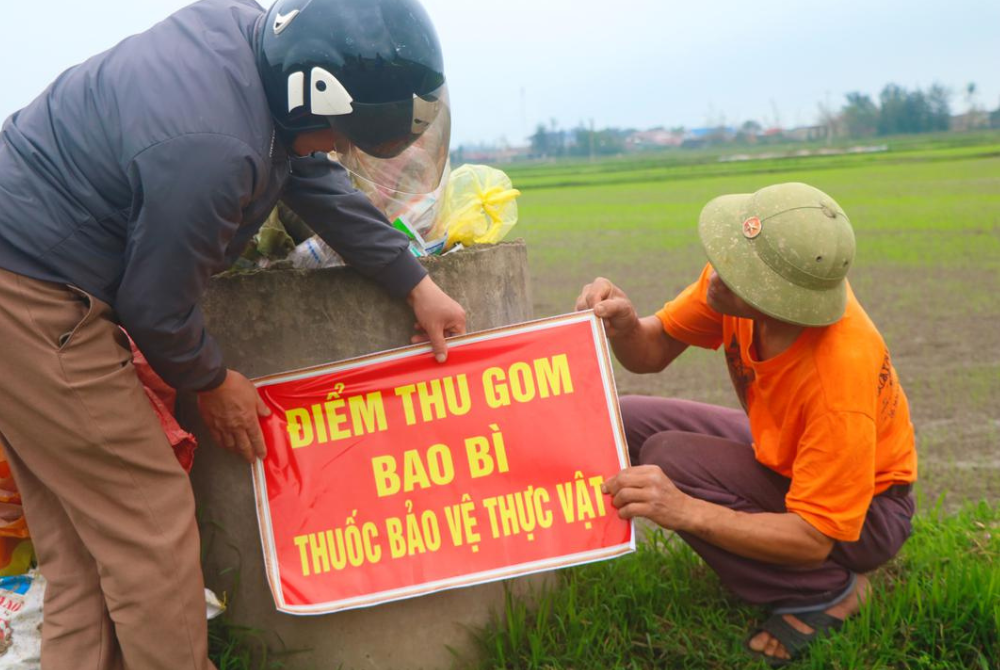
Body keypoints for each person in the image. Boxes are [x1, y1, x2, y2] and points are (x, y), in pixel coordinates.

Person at [0, 0, 464, 668]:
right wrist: (212, 380)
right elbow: (156, 305)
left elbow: (305, 170)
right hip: (33, 299)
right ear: (312, 94)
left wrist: (412, 280)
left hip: (24, 268)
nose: (335, 144)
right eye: (336, 131)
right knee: (149, 522)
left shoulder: (252, 45)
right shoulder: (214, 148)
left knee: (81, 549)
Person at [577, 182, 917, 666]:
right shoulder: (732, 287)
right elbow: (650, 352)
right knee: (626, 418)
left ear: (780, 302)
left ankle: (828, 591)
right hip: (785, 455)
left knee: (669, 463)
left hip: (868, 515)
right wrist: (628, 325)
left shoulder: (838, 377)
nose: (718, 273)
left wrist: (686, 510)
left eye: (741, 273)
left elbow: (812, 537)